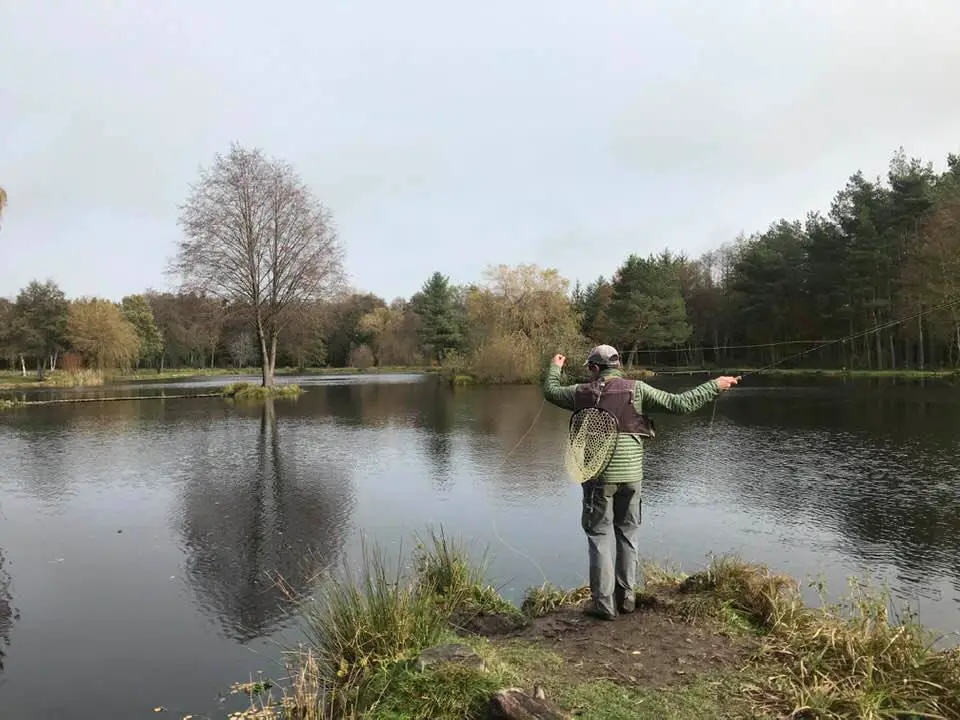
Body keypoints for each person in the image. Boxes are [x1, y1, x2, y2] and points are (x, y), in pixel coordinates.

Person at [542, 344, 740, 620]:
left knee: (599, 535)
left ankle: (603, 605)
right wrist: (715, 385)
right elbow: (681, 404)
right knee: (628, 534)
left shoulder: (580, 393)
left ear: (594, 369)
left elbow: (550, 391)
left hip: (598, 478)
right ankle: (627, 599)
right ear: (618, 365)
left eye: (590, 368)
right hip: (633, 477)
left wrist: (556, 366)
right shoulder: (637, 389)